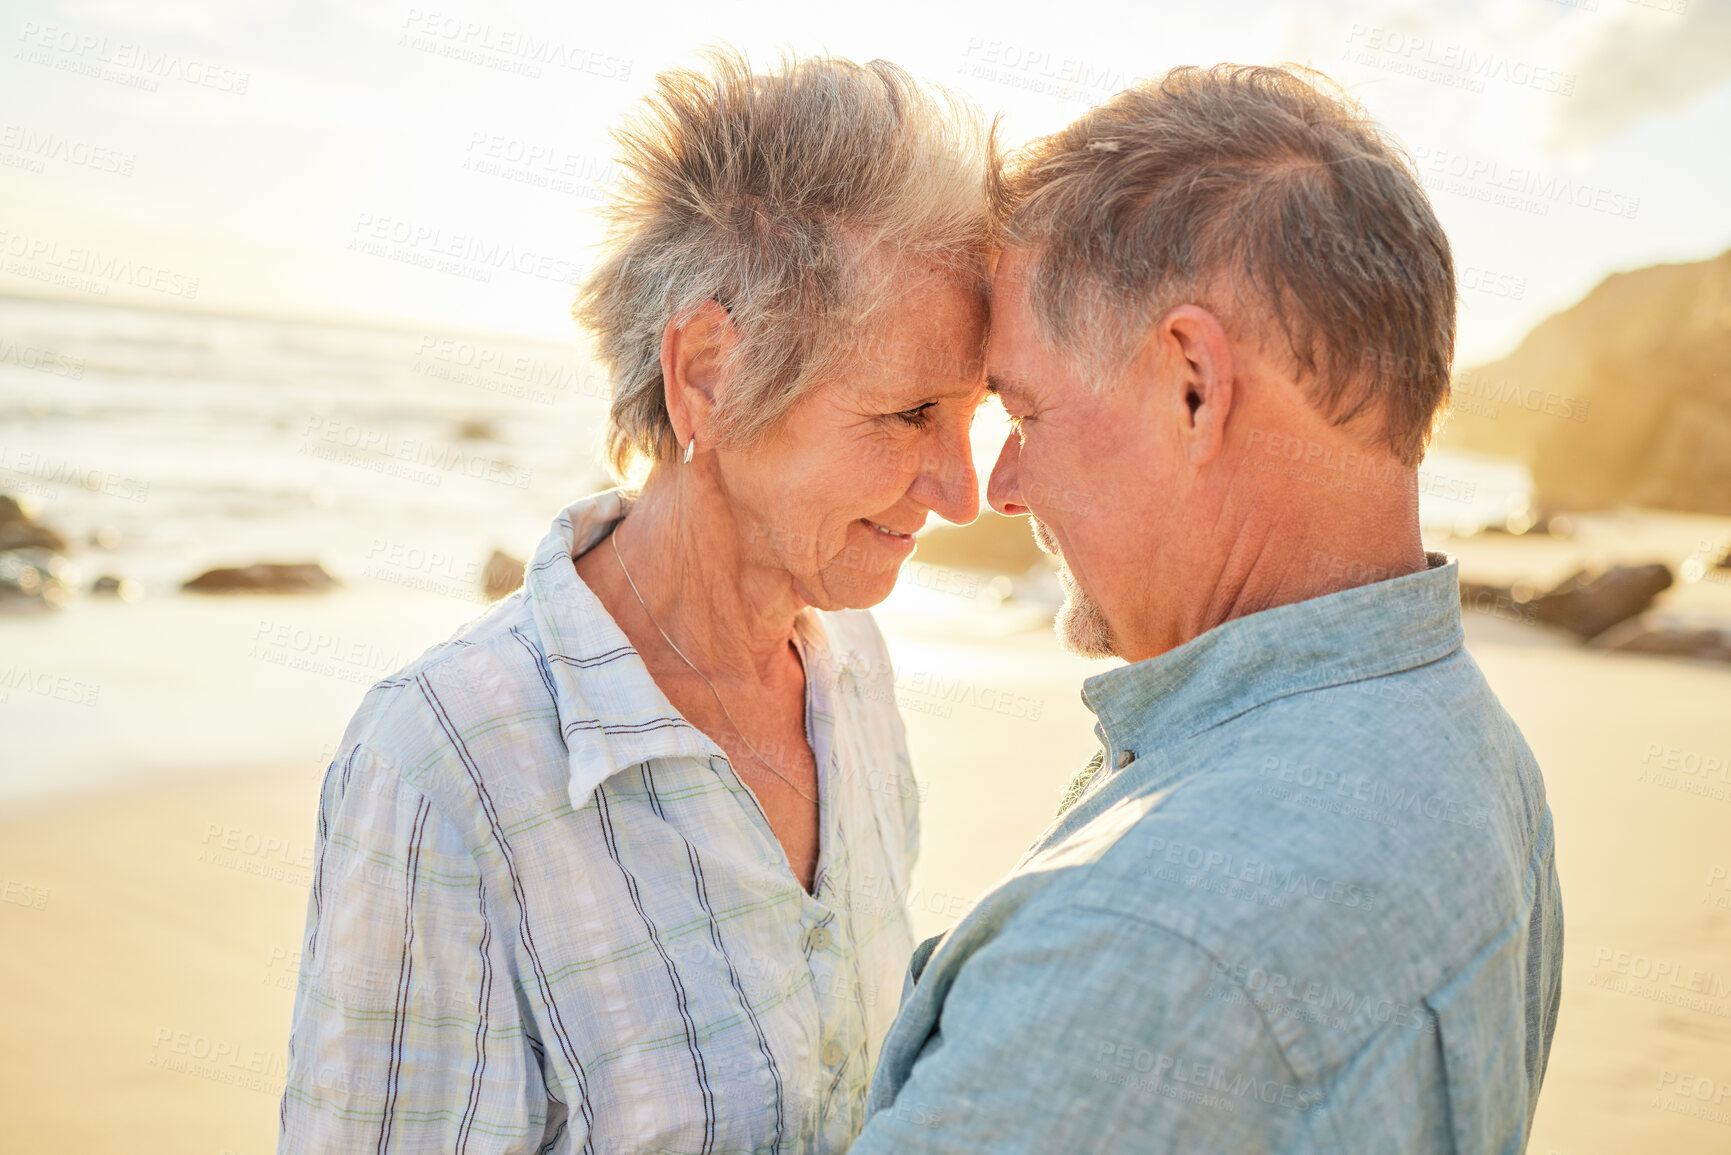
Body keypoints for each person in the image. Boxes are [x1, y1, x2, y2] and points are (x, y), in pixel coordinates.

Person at [277, 51, 994, 1153]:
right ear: (708, 370)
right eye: (907, 415)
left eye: (975, 416)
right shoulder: (446, 768)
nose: (962, 491)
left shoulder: (852, 667)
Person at [850, 64, 1563, 1153]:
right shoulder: (1480, 755)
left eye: (1026, 410)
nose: (1001, 488)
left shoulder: (1132, 944)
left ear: (1193, 384)